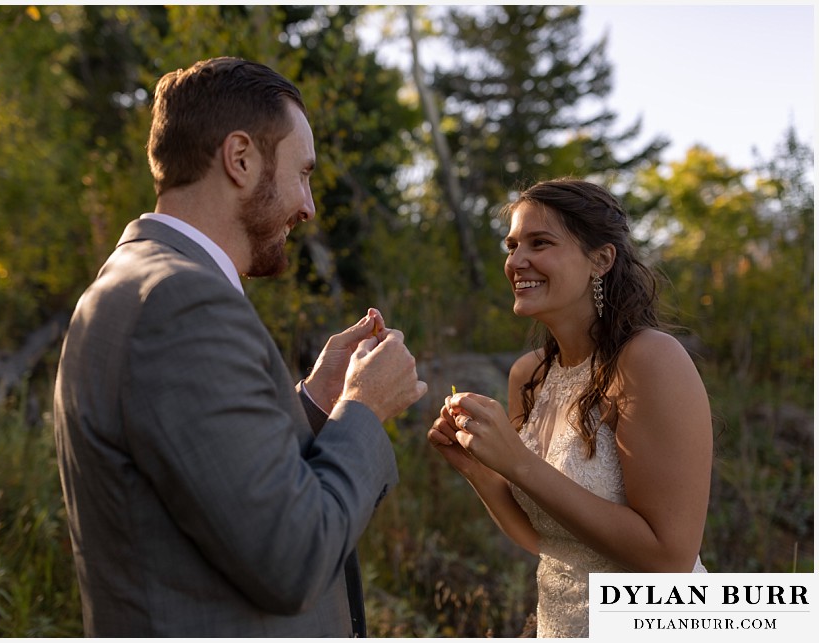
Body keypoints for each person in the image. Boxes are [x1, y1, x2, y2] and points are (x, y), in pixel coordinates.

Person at [53, 57, 428, 637]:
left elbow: (210, 471)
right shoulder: (181, 303)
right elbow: (292, 558)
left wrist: (316, 404)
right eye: (302, 173)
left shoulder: (141, 280)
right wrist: (363, 410)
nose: (307, 205)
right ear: (241, 158)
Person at [428, 178, 712, 638]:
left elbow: (671, 558)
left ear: (600, 260)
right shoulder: (529, 375)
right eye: (512, 245)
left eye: (540, 243)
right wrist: (479, 470)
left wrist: (517, 462)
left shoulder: (650, 360)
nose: (517, 261)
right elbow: (546, 541)